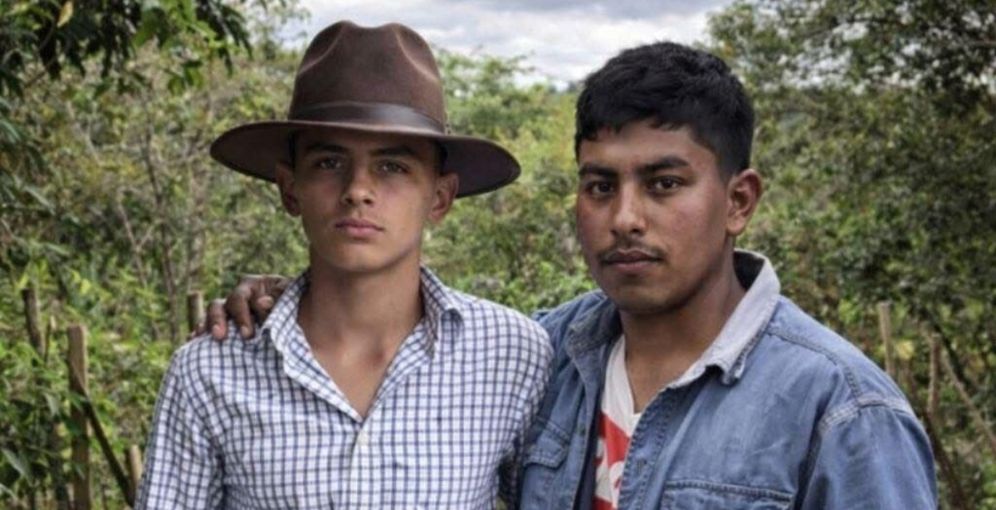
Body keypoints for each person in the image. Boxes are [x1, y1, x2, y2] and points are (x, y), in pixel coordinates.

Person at [207, 42, 937, 508]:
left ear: (738, 201)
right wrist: (298, 305)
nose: (624, 218)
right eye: (599, 186)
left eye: (664, 184)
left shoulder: (842, 412)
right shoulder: (542, 355)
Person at [137, 21, 551, 509]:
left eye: (392, 166)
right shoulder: (211, 369)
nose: (358, 190)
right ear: (290, 189)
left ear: (440, 197)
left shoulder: (512, 356)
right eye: (329, 163)